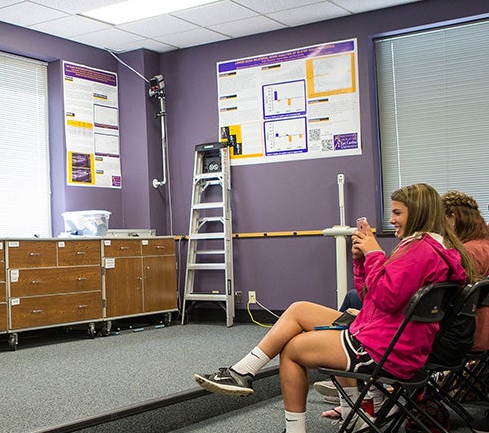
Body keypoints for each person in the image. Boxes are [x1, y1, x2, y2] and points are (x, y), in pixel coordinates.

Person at [193, 183, 474, 433]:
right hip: (390, 334)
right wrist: (362, 261)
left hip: (384, 347)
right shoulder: (430, 248)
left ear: (419, 213)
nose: (391, 219)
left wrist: (374, 252)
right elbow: (370, 296)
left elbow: (386, 298)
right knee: (300, 309)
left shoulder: (419, 251)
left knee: (292, 350)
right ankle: (243, 372)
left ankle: (297, 426)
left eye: (398, 213)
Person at [443, 191, 489, 352]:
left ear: (453, 218)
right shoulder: (485, 246)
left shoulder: (467, 253)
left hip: (466, 337)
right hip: (485, 334)